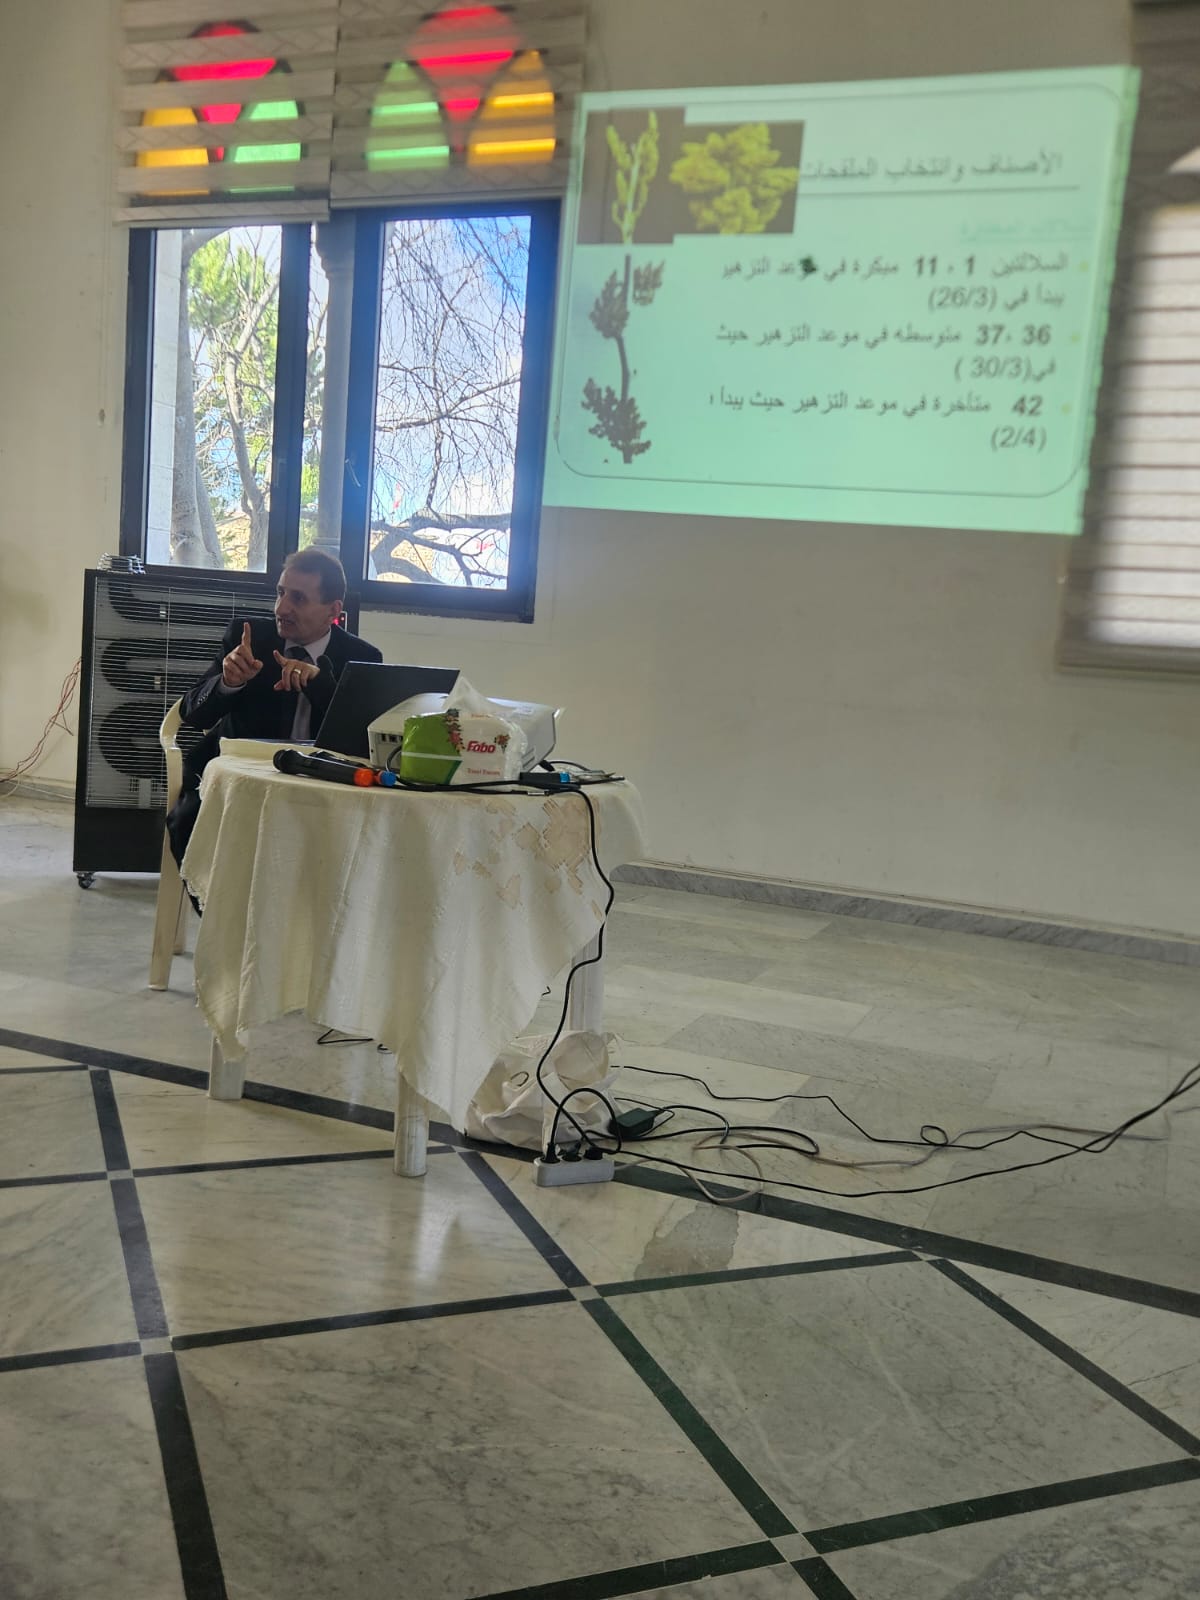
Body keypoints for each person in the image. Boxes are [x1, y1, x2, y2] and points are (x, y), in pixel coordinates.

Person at [166, 549, 382, 869]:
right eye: (280, 593)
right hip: (239, 775)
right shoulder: (248, 638)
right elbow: (194, 713)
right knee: (190, 825)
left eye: (298, 598)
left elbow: (363, 739)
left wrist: (320, 686)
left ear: (333, 610)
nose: (281, 608)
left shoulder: (361, 657)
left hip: (319, 787)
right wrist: (228, 682)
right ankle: (217, 901)